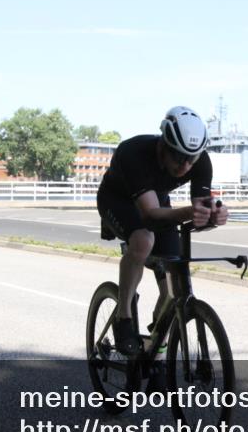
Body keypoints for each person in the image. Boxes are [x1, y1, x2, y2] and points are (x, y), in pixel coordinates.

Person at [96, 106, 228, 355]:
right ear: (163, 144)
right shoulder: (134, 153)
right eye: (179, 157)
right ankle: (123, 316)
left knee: (171, 289)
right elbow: (149, 216)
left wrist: (213, 216)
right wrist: (191, 212)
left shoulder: (199, 161)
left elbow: (197, 213)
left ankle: (155, 349)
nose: (186, 166)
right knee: (143, 240)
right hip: (117, 200)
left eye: (192, 158)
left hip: (157, 201)